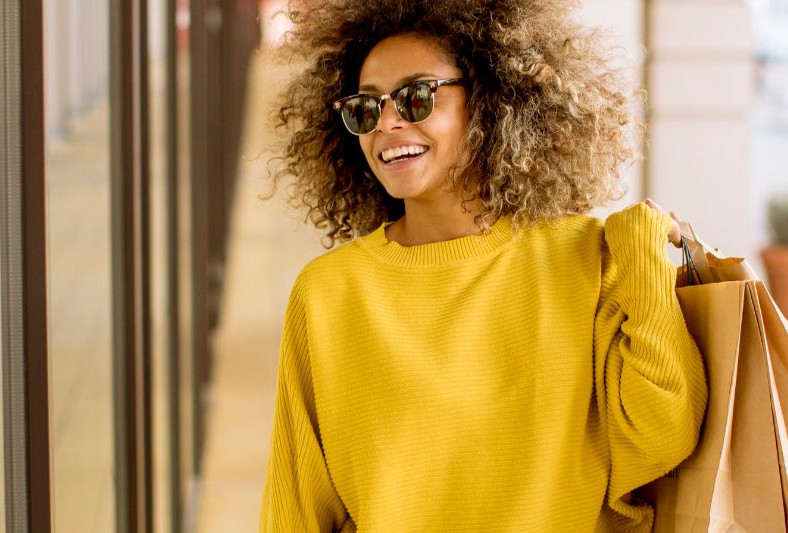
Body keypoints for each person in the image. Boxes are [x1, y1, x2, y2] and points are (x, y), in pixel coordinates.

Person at [260, 0, 709, 531]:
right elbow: (297, 507)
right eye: (365, 107)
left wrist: (643, 259)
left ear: (493, 101)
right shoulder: (329, 293)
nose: (386, 123)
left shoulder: (587, 260)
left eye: (416, 97)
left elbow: (663, 438)